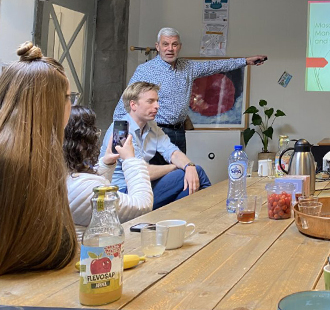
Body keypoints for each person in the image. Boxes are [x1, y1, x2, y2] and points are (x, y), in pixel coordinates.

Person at [113, 27, 267, 155]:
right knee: (156, 179)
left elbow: (216, 66)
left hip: (179, 132)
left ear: (180, 46)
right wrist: (117, 145)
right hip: (154, 131)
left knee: (180, 177)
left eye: (174, 44)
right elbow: (123, 106)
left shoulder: (188, 67)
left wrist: (245, 61)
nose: (170, 49)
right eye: (165, 44)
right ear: (158, 46)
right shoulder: (145, 70)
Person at [0, 42, 78, 275]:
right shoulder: (12, 163)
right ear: (49, 104)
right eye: (68, 98)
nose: (71, 106)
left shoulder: (43, 160)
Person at [101, 81, 211, 209]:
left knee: (189, 184)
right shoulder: (120, 130)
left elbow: (173, 152)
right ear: (133, 105)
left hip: (141, 188)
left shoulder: (151, 126)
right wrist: (177, 167)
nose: (157, 106)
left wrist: (189, 166)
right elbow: (141, 172)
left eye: (157, 101)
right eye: (150, 101)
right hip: (122, 195)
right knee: (196, 172)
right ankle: (214, 212)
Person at [64, 106, 153, 240]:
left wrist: (106, 164)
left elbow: (84, 188)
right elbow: (142, 205)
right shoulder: (82, 189)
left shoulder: (59, 175)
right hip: (87, 256)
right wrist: (130, 159)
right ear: (83, 141)